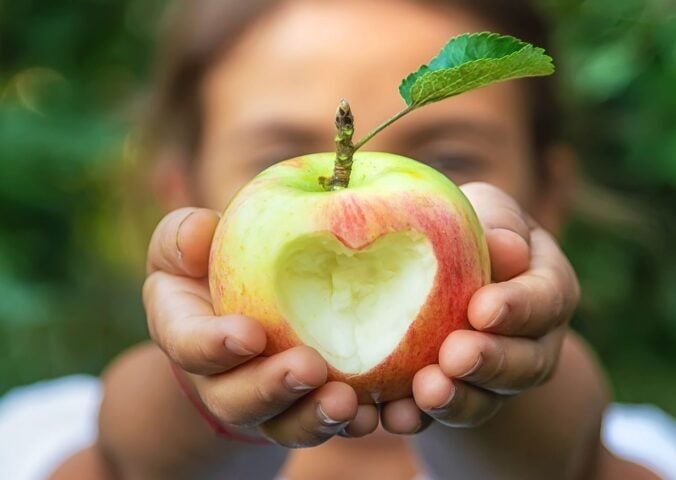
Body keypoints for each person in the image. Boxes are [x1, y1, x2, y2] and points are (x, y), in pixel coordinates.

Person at [35, 0, 670, 478]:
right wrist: (202, 396)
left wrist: (516, 399)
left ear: (548, 197)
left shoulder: (645, 443)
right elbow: (125, 459)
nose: (371, 212)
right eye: (280, 155)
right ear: (180, 194)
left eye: (448, 160)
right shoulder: (46, 426)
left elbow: (575, 461)